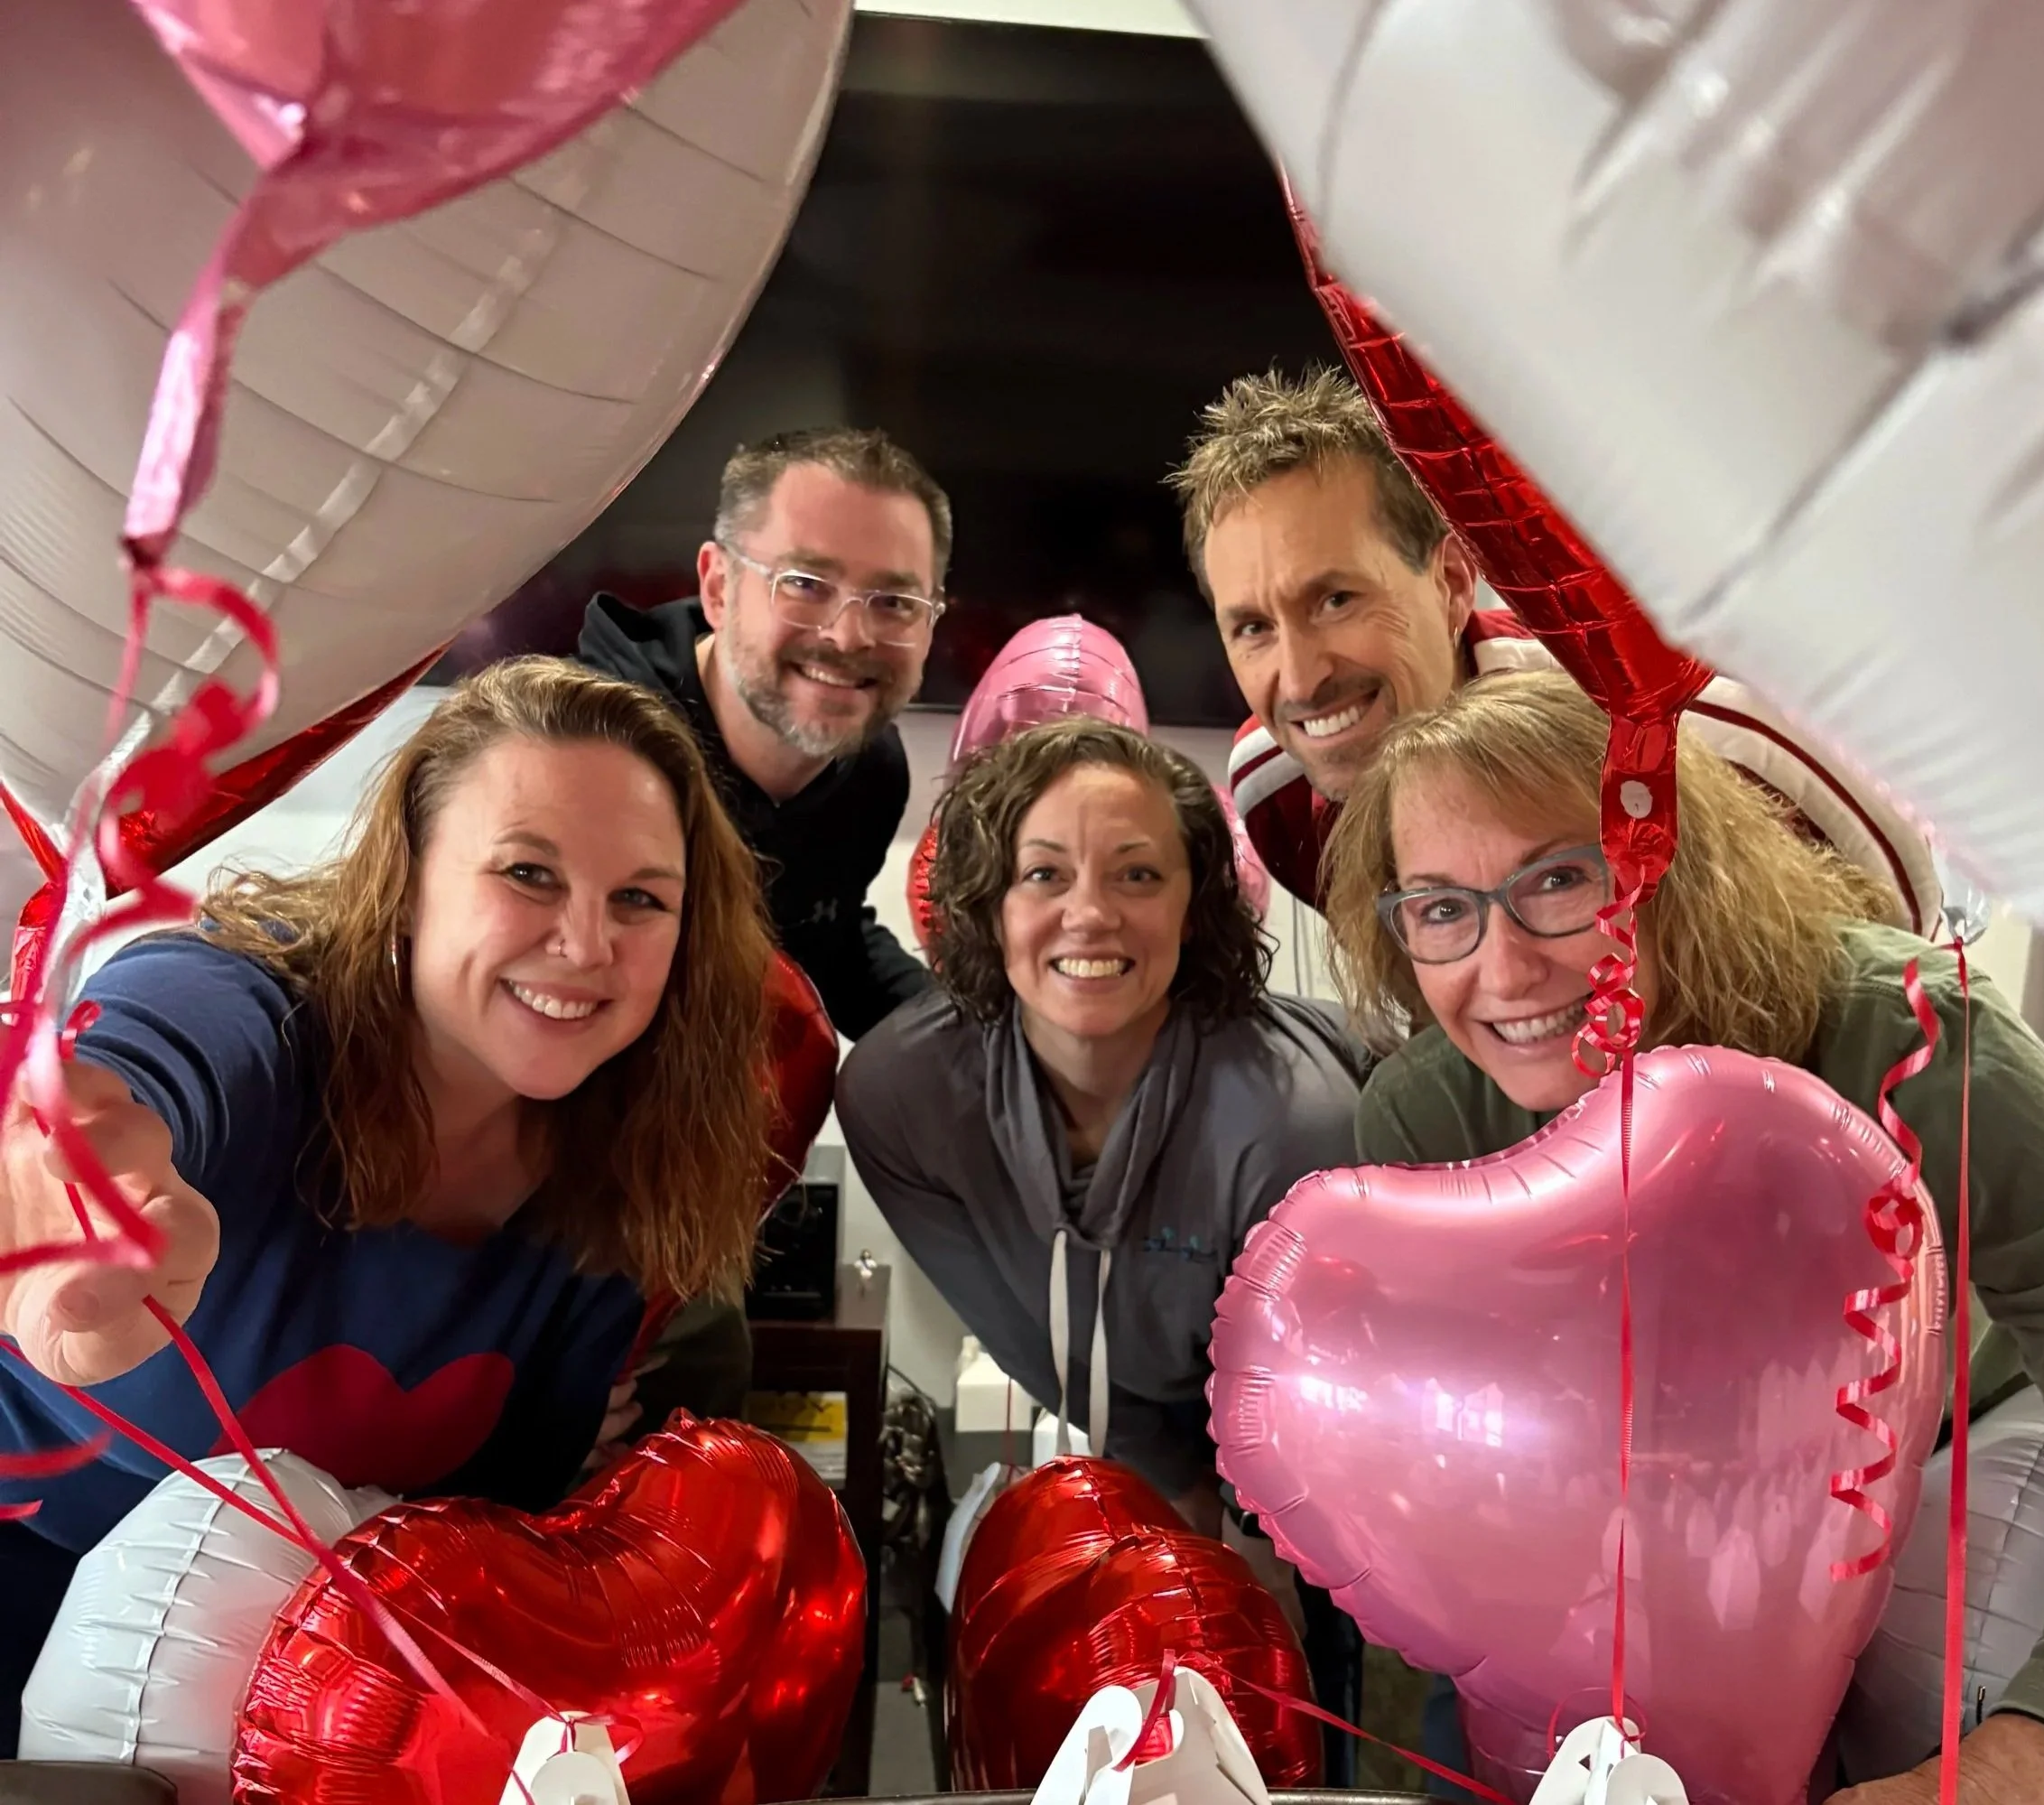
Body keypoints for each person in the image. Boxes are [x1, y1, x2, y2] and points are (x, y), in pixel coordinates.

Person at [1322, 671, 2044, 1805]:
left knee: (1943, 1694)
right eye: (1438, 907)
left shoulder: (1920, 1044)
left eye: (1562, 878)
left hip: (1967, 1453)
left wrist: (2039, 1744)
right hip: (1666, 1525)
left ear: (1669, 866)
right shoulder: (1427, 1118)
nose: (1505, 968)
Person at [0, 658, 776, 1748]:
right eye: (529, 873)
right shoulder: (247, 1012)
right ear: (408, 880)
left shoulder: (625, 1173)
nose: (588, 944)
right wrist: (67, 1170)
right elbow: (135, 1066)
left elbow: (488, 1559)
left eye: (640, 899)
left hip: (306, 1726)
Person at [835, 715, 1371, 1780]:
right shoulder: (901, 1096)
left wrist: (1224, 1550)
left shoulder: (1292, 1122)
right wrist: (1141, 1487)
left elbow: (1301, 1413)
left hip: (1326, 1487)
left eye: (1137, 873)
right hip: (1135, 1455)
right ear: (991, 901)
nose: (1089, 912)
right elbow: (1033, 1337)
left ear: (1195, 903)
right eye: (1044, 873)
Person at [1167, 367, 1938, 930]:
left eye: (1336, 600)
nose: (1300, 678)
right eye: (1254, 628)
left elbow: (1907, 930)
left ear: (1452, 582)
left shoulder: (1671, 733)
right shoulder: (1278, 794)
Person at [579, 424, 947, 1042]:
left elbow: (824, 943)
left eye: (894, 602)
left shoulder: (871, 768)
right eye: (805, 584)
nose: (849, 635)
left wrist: (988, 1045)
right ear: (719, 587)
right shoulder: (580, 752)